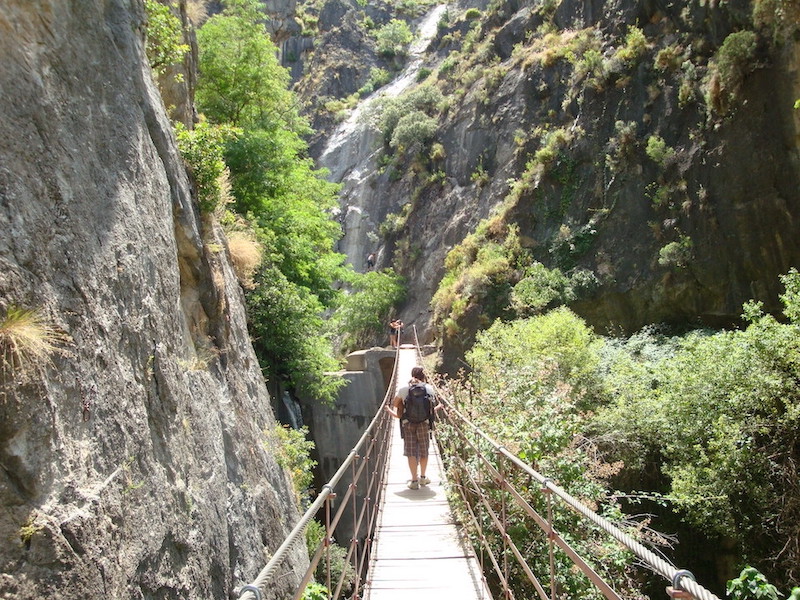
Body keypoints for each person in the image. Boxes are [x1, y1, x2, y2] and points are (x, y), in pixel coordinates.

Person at [385, 366, 436, 489]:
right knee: (424, 451)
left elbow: (395, 404)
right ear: (424, 377)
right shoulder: (429, 388)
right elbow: (431, 406)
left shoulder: (404, 389)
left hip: (408, 424)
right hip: (424, 423)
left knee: (411, 452)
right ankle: (423, 478)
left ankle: (414, 481)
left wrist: (401, 408)